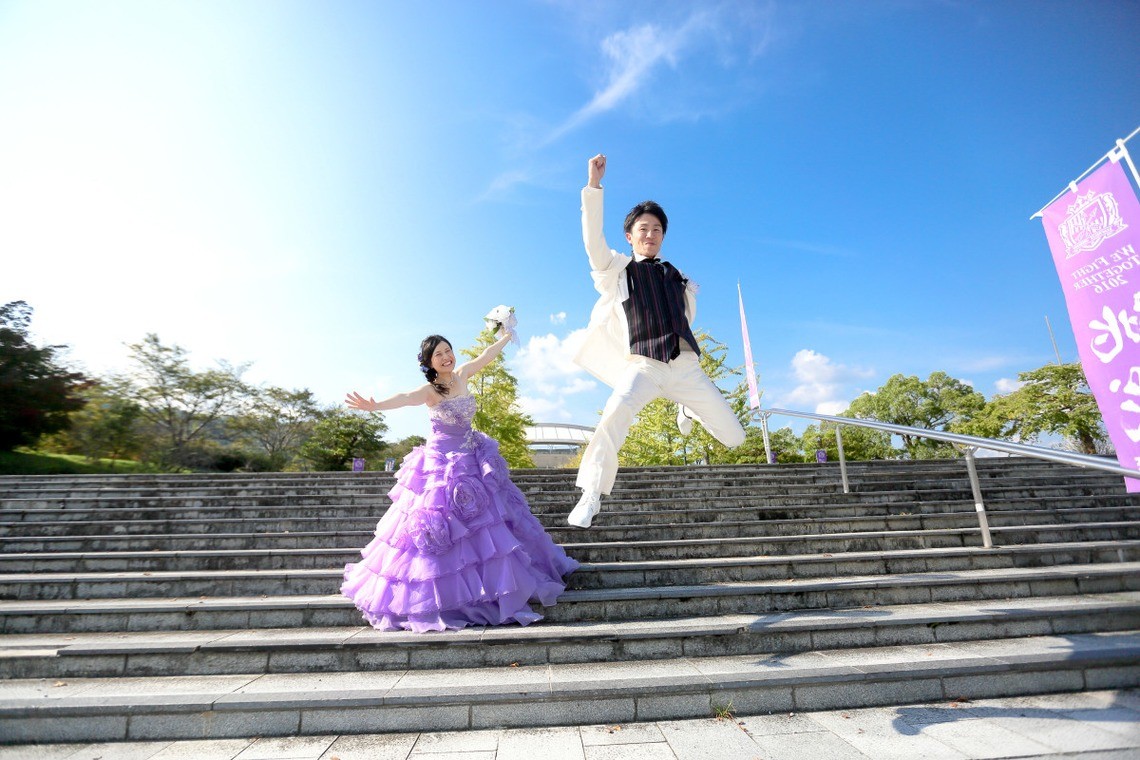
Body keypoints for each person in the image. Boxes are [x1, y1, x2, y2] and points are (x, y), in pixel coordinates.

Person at [341, 326, 579, 632]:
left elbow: (485, 356)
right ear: (428, 362)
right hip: (441, 464)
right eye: (438, 354)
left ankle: (494, 585)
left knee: (489, 523)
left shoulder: (463, 374)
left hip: (472, 458)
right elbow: (404, 397)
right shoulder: (430, 391)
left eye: (447, 350)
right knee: (442, 526)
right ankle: (447, 597)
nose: (446, 357)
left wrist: (506, 337)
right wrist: (375, 406)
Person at [568, 153, 746, 528]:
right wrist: (594, 187)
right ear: (630, 236)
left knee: (734, 438)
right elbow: (592, 240)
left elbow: (686, 316)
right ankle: (592, 493)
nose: (650, 235)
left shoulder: (676, 274)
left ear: (663, 237)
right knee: (614, 417)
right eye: (643, 229)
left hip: (686, 367)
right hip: (644, 365)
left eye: (657, 230)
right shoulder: (616, 269)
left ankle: (687, 408)